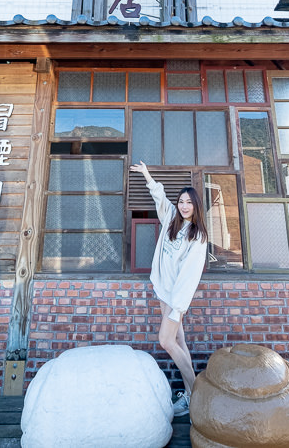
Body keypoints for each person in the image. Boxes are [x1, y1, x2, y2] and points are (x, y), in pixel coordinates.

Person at [129, 160, 208, 417]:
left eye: (189, 202)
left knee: (166, 340)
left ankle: (197, 394)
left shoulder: (197, 236)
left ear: (196, 206)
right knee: (179, 340)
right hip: (163, 290)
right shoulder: (172, 220)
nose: (185, 206)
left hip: (176, 298)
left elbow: (189, 277)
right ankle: (189, 394)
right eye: (182, 201)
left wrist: (177, 308)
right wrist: (147, 175)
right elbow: (159, 197)